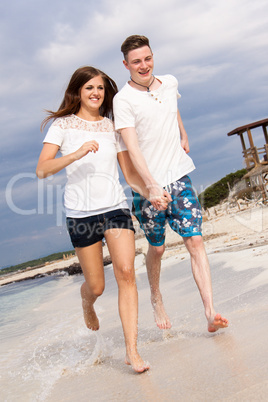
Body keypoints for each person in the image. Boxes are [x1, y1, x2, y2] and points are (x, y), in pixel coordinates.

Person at [36, 66, 160, 373]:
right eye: (90, 87)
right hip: (80, 214)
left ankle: (132, 350)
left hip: (115, 208)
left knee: (127, 272)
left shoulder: (111, 126)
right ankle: (87, 303)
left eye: (101, 89)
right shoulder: (62, 126)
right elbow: (42, 169)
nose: (96, 93)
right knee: (97, 286)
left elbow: (128, 172)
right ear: (78, 91)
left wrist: (151, 190)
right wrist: (77, 153)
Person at [113, 35, 229, 333]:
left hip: (178, 176)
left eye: (147, 58)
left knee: (196, 240)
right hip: (146, 188)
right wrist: (150, 187)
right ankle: (156, 295)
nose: (144, 65)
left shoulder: (170, 82)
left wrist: (182, 131)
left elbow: (171, 106)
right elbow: (132, 148)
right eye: (136, 61)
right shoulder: (123, 101)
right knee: (159, 248)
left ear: (154, 57)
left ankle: (210, 311)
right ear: (125, 64)